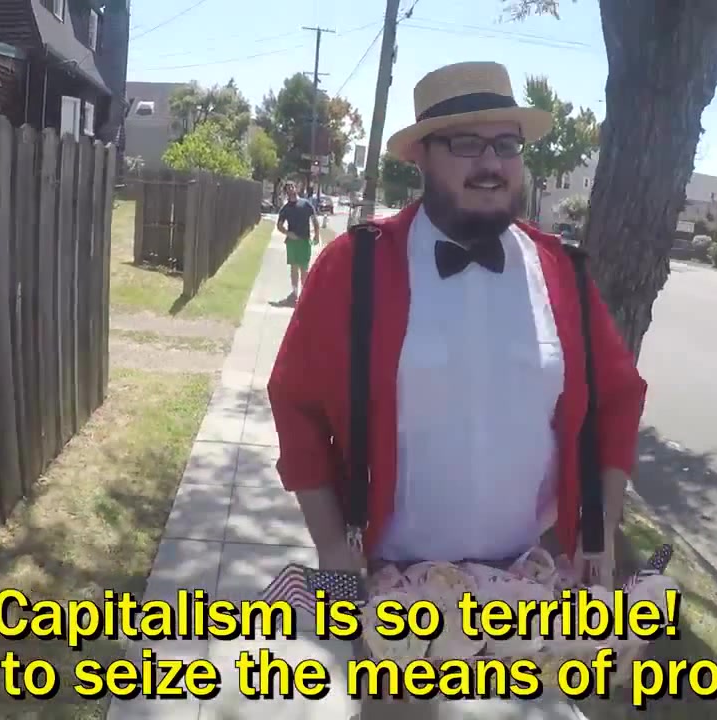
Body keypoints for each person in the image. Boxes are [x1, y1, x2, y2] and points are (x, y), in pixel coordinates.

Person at [269, 60, 647, 600]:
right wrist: (331, 545)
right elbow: (295, 402)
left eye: (507, 145)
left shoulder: (563, 272)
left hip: (531, 580)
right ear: (421, 156)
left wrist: (598, 529)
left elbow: (618, 400)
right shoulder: (354, 266)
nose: (492, 163)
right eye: (467, 144)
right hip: (390, 585)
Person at [275, 181, 321, 305]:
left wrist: (317, 235)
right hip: (292, 242)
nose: (291, 189)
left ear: (296, 188)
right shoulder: (285, 208)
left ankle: (305, 296)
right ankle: (295, 294)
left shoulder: (306, 204)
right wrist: (288, 233)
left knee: (304, 269)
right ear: (286, 192)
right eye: (288, 188)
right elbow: (279, 225)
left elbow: (314, 220)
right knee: (294, 268)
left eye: (292, 187)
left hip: (305, 241)